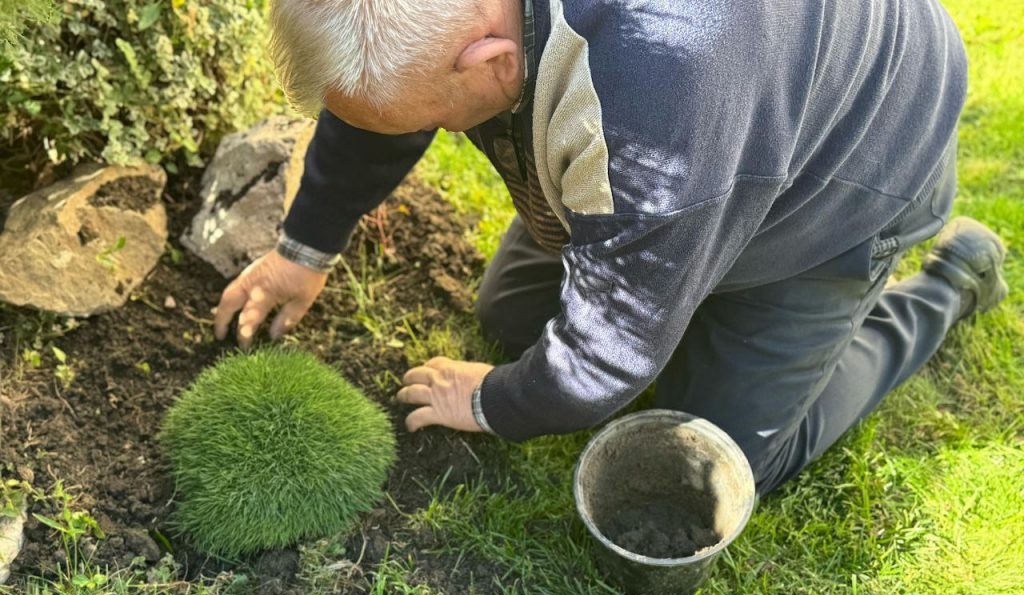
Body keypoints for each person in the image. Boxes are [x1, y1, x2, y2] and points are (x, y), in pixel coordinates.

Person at [213, 0, 1008, 495]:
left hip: (844, 172)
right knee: (513, 313)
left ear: (490, 60)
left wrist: (494, 403)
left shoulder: (657, 95)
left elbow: (609, 354)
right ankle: (686, 291)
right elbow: (378, 105)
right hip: (706, 153)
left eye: (437, 117)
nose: (436, 130)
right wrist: (304, 248)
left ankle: (945, 288)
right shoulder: (462, 26)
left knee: (709, 460)